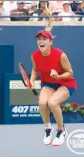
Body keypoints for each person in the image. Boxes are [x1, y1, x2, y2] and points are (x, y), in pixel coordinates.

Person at [29, 15, 77, 146]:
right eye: (38, 39)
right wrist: (32, 80)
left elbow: (70, 73)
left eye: (44, 39)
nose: (41, 41)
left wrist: (59, 77)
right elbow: (34, 69)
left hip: (65, 83)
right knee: (42, 102)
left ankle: (61, 130)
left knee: (52, 102)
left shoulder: (60, 54)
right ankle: (48, 129)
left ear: (50, 42)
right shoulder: (35, 55)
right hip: (48, 83)